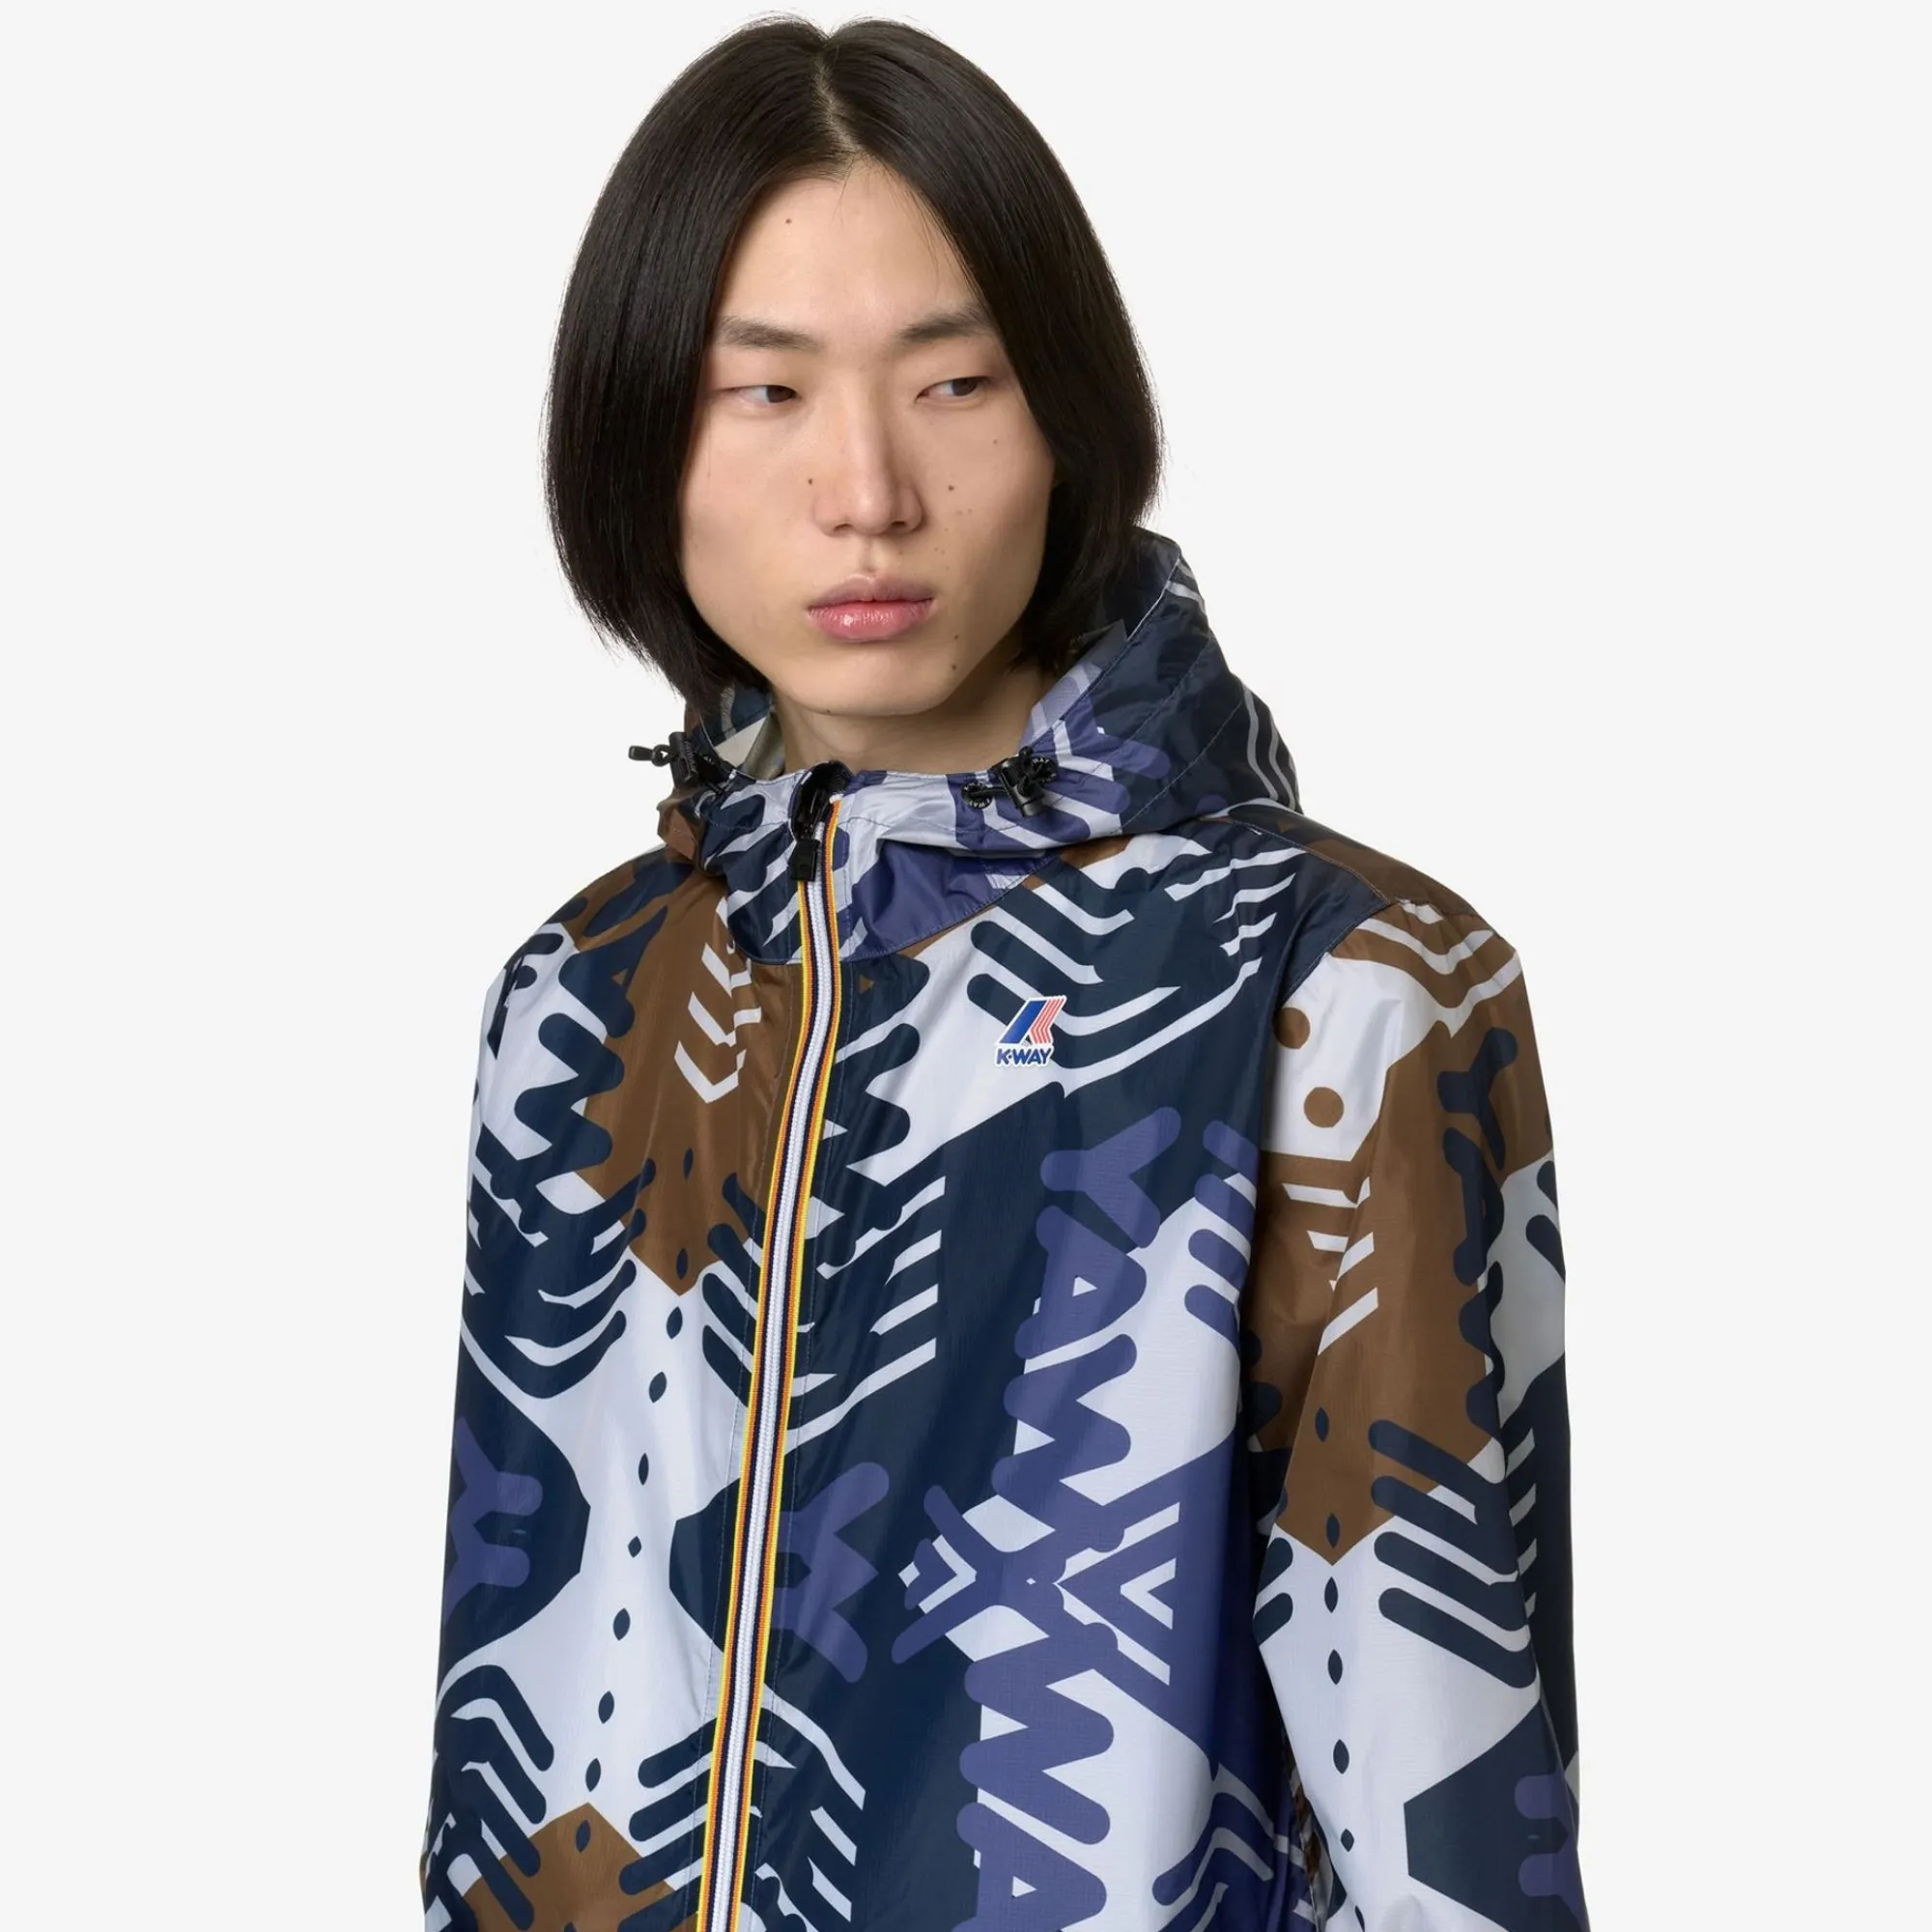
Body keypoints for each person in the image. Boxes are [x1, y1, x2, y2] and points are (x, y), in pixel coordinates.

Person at [418, 17, 1589, 1931]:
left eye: (954, 382)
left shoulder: (1342, 991)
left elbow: (1452, 1818)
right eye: (762, 392)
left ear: (1067, 419)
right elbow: (524, 1706)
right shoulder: (580, 1000)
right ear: (637, 442)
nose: (866, 490)